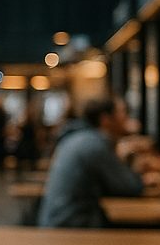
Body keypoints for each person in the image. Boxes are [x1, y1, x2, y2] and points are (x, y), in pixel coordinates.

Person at [38, 96, 151, 228]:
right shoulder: (95, 144)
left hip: (58, 219)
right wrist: (134, 166)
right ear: (105, 119)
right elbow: (130, 187)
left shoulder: (81, 137)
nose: (127, 118)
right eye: (122, 112)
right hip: (71, 225)